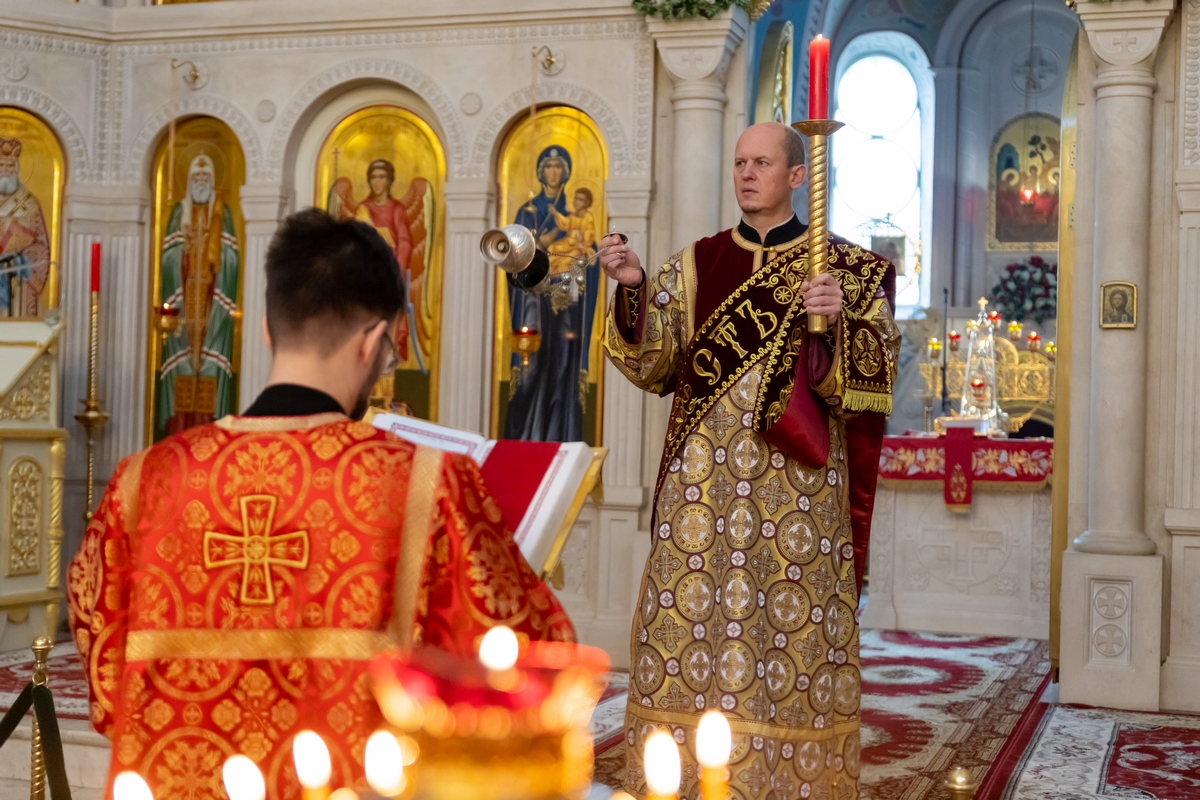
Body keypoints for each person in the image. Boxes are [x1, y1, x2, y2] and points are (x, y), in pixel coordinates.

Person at [68, 209, 574, 800]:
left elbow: (106, 674)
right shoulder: (428, 482)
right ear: (373, 341)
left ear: (267, 330)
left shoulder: (142, 480)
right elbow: (522, 663)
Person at [601, 122, 900, 800]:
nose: (746, 173)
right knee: (689, 622)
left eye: (761, 162)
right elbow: (654, 366)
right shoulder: (696, 263)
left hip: (799, 490)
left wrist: (841, 324)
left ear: (797, 176)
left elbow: (874, 383)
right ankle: (677, 775)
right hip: (701, 489)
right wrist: (633, 286)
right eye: (739, 162)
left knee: (791, 628)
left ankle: (794, 781)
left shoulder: (846, 271)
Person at [505, 145, 599, 442]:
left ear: (566, 173)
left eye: (558, 167)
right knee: (531, 369)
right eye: (548, 166)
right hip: (533, 301)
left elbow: (589, 256)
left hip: (567, 300)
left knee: (563, 364)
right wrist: (538, 245)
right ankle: (524, 440)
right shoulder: (528, 211)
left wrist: (583, 257)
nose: (553, 172)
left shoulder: (575, 215)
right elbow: (513, 260)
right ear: (540, 172)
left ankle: (560, 437)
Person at [157, 154, 240, 439]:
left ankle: (210, 435)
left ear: (212, 181)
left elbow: (232, 258)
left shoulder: (222, 212)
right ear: (189, 181)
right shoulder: (178, 213)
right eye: (197, 177)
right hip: (185, 295)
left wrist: (217, 255)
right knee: (181, 365)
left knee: (210, 367)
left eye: (206, 177)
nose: (201, 182)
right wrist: (185, 252)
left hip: (211, 299)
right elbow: (167, 256)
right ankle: (177, 436)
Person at [0, 137, 51, 317]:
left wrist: (19, 259)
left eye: (10, 166)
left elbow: (42, 246)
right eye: (1, 165)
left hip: (18, 285)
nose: (5, 171)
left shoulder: (30, 205)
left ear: (17, 168)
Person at [548, 187, 599, 264]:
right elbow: (565, 223)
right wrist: (555, 213)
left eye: (580, 199)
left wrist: (582, 236)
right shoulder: (573, 215)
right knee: (552, 248)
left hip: (580, 247)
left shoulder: (588, 217)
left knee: (567, 260)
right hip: (569, 244)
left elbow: (590, 233)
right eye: (575, 198)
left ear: (586, 202)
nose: (576, 202)